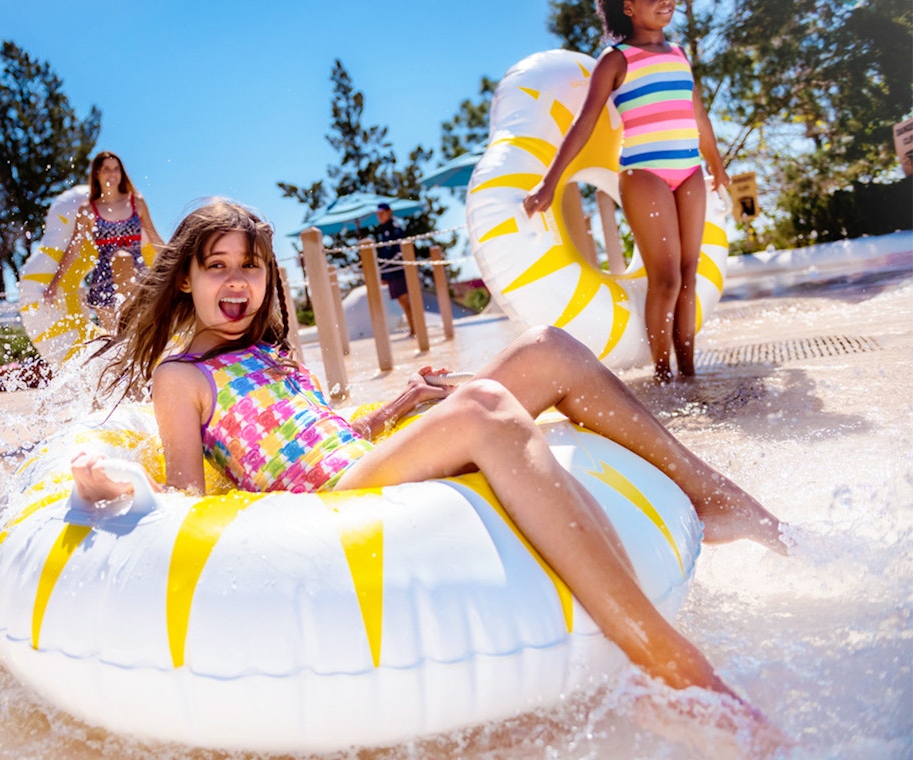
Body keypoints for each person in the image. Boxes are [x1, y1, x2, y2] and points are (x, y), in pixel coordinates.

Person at [68, 199, 788, 737]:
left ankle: (716, 498)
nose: (236, 282)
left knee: (547, 346)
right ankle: (666, 663)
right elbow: (189, 496)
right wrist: (114, 487)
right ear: (186, 279)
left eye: (250, 266)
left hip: (356, 459)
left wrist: (399, 406)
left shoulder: (269, 350)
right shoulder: (181, 376)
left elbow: (319, 431)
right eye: (216, 266)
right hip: (330, 498)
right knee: (486, 408)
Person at [522, 0, 730, 384]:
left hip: (690, 172)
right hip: (643, 173)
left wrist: (716, 166)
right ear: (629, 7)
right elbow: (585, 122)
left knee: (688, 274)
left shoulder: (680, 54)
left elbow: (697, 114)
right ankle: (663, 375)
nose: (667, 2)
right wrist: (549, 182)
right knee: (665, 279)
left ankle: (689, 373)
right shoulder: (616, 59)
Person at [43, 150, 164, 331]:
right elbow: (74, 248)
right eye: (106, 169)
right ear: (97, 173)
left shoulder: (136, 202)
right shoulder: (88, 210)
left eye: (116, 169)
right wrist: (54, 283)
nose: (112, 173)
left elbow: (154, 239)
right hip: (104, 281)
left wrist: (179, 265)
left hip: (136, 276)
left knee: (138, 335)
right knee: (115, 341)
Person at [372, 202, 414, 336]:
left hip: (398, 271)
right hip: (391, 272)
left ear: (389, 212)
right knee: (402, 301)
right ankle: (414, 328)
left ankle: (415, 328)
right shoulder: (383, 231)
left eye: (382, 213)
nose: (379, 216)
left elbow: (397, 252)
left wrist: (386, 272)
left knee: (406, 300)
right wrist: (384, 274)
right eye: (378, 214)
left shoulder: (395, 228)